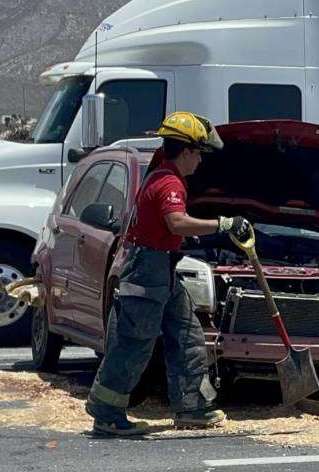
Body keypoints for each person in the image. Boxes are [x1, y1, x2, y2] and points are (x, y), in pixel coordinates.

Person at [85, 111, 252, 436]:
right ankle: (106, 413)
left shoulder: (163, 177)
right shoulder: (169, 182)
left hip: (161, 270)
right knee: (134, 343)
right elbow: (176, 222)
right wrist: (223, 223)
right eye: (200, 154)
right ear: (187, 150)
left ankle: (191, 407)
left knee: (187, 335)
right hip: (147, 272)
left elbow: (167, 228)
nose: (201, 162)